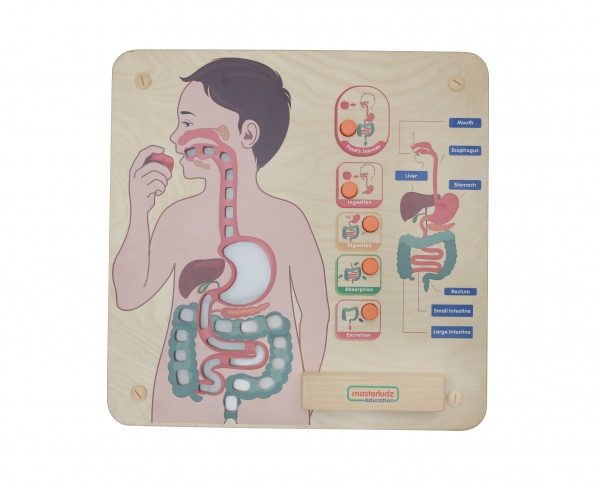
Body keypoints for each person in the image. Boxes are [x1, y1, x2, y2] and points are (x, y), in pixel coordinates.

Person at [113, 58, 329, 425]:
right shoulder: (176, 218)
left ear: (247, 134)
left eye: (187, 123)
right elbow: (129, 296)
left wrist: (308, 396)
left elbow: (317, 312)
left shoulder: (287, 219)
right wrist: (138, 211)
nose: (175, 137)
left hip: (275, 400)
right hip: (184, 401)